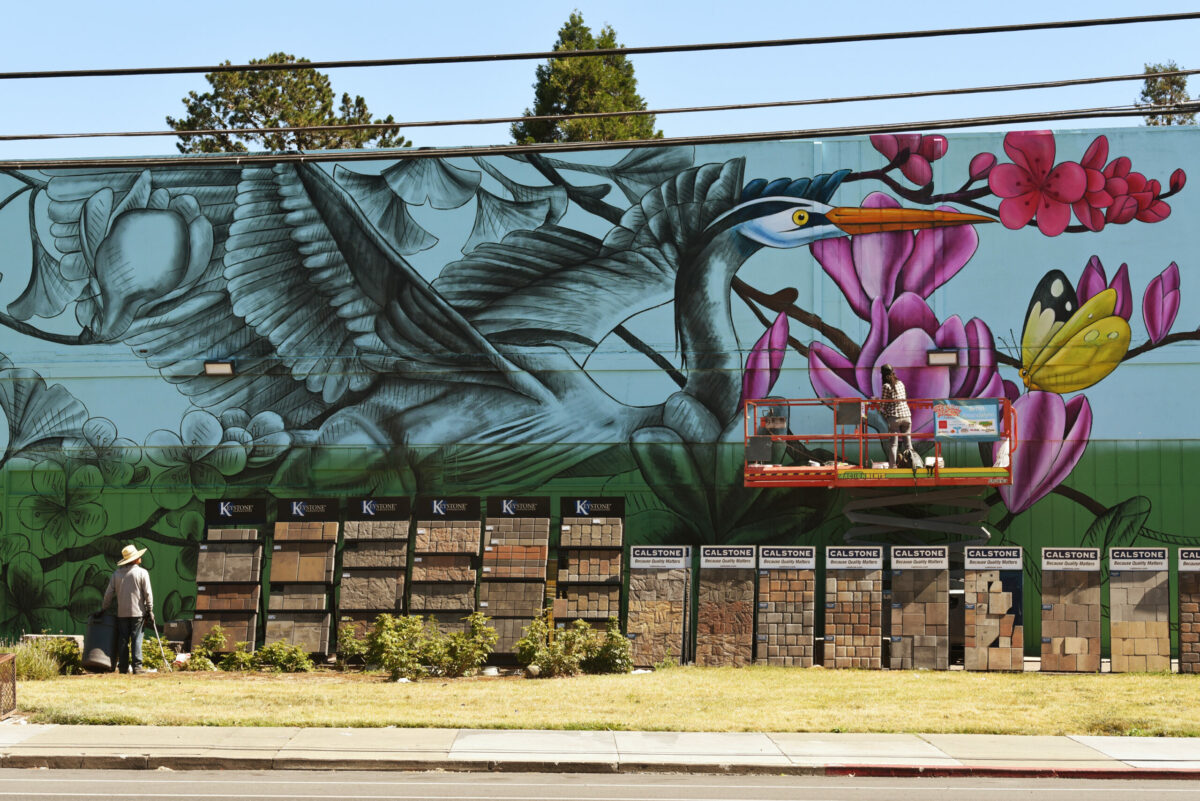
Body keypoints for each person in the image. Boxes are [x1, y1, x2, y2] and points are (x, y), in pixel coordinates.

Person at [101, 544, 154, 674]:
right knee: (137, 639)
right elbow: (148, 593)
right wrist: (150, 609)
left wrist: (104, 608)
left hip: (122, 613)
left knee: (123, 640)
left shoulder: (116, 574)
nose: (140, 557)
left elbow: (108, 594)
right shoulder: (142, 573)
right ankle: (137, 667)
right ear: (135, 559)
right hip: (138, 612)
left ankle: (123, 667)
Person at [879, 364, 912, 468]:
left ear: (883, 375)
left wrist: (878, 404)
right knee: (908, 443)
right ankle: (913, 464)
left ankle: (893, 466)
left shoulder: (886, 386)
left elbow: (884, 404)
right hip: (906, 415)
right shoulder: (900, 383)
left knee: (893, 444)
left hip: (894, 417)